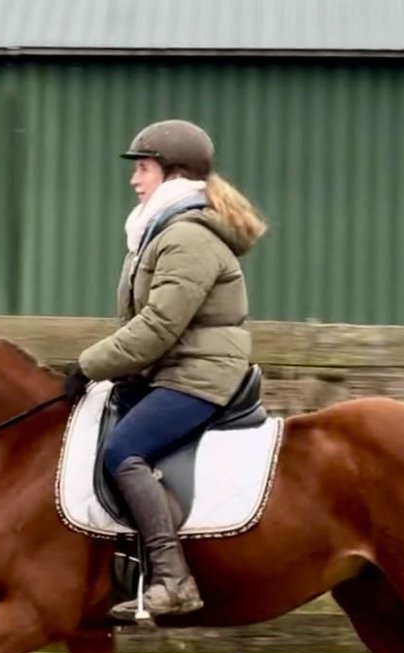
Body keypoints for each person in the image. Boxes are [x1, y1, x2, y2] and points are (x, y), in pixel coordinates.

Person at [64, 119, 267, 619]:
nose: (134, 180)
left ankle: (173, 579)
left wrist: (89, 365)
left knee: (123, 450)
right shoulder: (162, 233)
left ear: (173, 176)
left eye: (144, 168)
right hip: (171, 372)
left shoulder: (187, 238)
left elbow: (158, 326)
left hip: (199, 378)